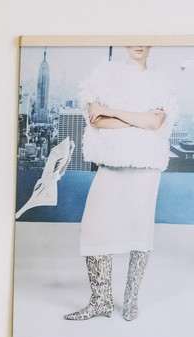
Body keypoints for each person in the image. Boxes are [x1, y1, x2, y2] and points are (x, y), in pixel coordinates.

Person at [65, 45, 178, 322]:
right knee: (93, 227)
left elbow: (155, 123)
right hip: (110, 163)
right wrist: (139, 119)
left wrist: (113, 110)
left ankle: (131, 300)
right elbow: (97, 120)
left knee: (140, 230)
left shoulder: (161, 81)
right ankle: (100, 301)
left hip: (146, 165)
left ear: (152, 42)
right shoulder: (102, 74)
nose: (138, 43)